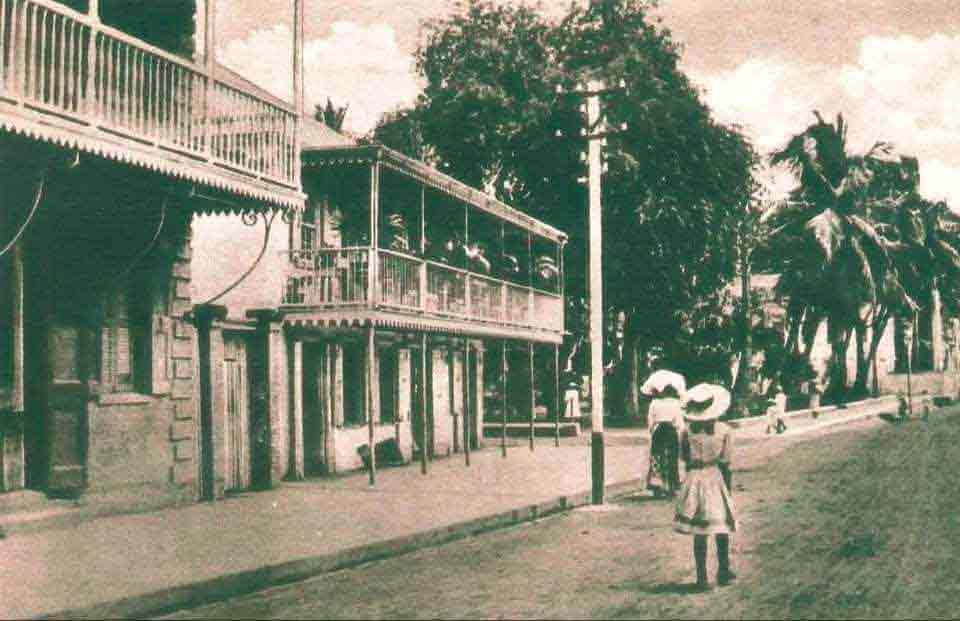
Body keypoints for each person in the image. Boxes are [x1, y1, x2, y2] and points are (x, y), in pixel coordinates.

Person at [675, 383, 738, 591]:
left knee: (699, 529)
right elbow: (726, 461)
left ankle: (702, 578)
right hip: (714, 477)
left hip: (694, 478)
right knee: (721, 526)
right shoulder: (723, 430)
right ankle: (723, 570)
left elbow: (683, 457)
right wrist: (727, 489)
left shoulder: (686, 431)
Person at [646, 385, 685, 497]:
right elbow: (679, 422)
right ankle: (672, 486)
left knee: (657, 457)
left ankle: (657, 486)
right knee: (672, 457)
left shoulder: (654, 403)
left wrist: (652, 430)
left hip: (658, 431)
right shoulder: (675, 403)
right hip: (670, 430)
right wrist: (680, 432)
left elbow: (650, 420)